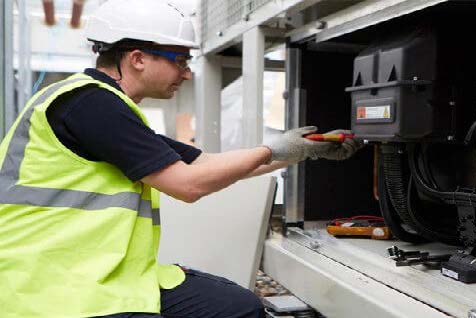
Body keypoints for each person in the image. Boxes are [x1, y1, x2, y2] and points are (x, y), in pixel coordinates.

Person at [0, 1, 361, 317]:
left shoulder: (108, 108)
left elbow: (203, 163)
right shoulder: (90, 104)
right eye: (180, 60)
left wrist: (302, 151)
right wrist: (274, 149)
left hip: (103, 274)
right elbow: (187, 185)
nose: (187, 73)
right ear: (137, 58)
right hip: (51, 287)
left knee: (237, 307)